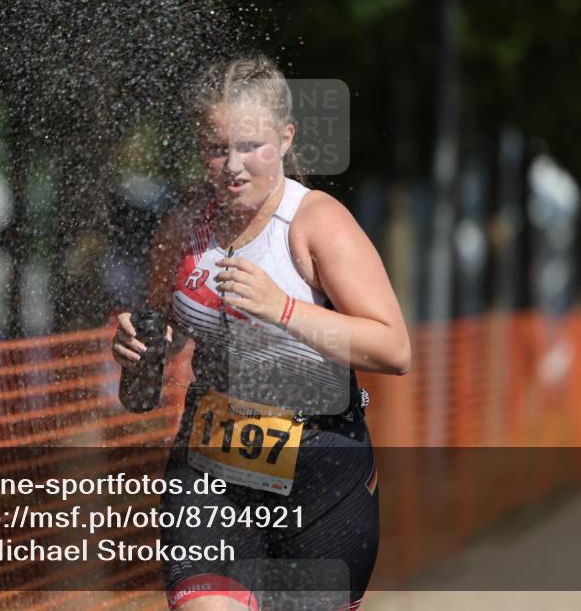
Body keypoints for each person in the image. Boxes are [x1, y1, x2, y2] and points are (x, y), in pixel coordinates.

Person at [112, 55, 410, 610]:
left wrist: (285, 309)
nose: (232, 165)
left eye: (251, 146)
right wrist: (138, 348)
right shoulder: (182, 226)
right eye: (216, 147)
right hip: (212, 460)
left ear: (286, 138)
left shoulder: (316, 223)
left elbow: (394, 348)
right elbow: (163, 336)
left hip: (320, 462)